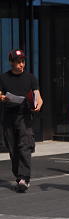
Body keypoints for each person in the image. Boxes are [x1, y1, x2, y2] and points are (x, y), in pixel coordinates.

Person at [0, 49, 43, 193]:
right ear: (11, 62)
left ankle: (25, 178)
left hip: (25, 117)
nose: (21, 64)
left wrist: (38, 105)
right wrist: (2, 98)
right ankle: (19, 177)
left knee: (25, 147)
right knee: (13, 150)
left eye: (23, 61)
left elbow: (38, 96)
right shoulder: (3, 78)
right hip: (8, 117)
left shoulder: (30, 78)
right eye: (18, 62)